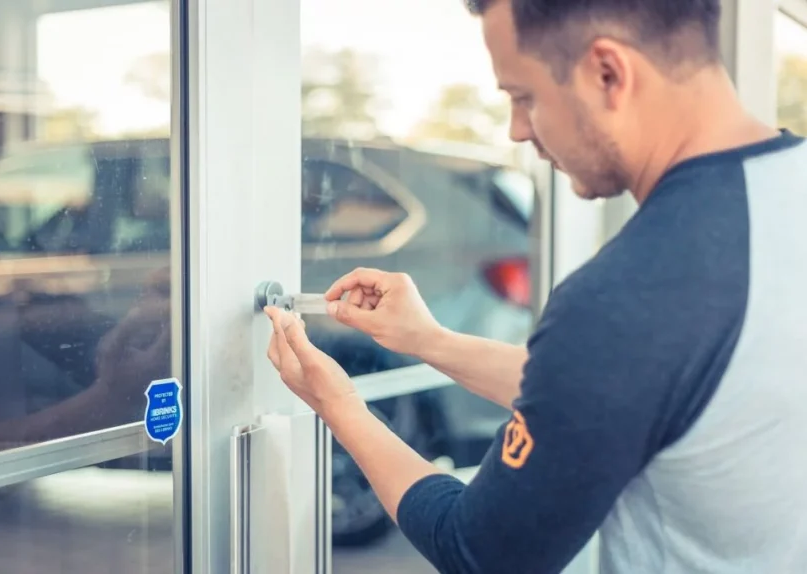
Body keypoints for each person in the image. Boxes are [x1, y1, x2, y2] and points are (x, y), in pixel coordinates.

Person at [265, 0, 807, 572]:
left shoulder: (632, 294)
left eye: (523, 96)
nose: (517, 130)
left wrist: (339, 405)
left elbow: (481, 550)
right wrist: (430, 342)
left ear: (608, 73)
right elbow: (627, 394)